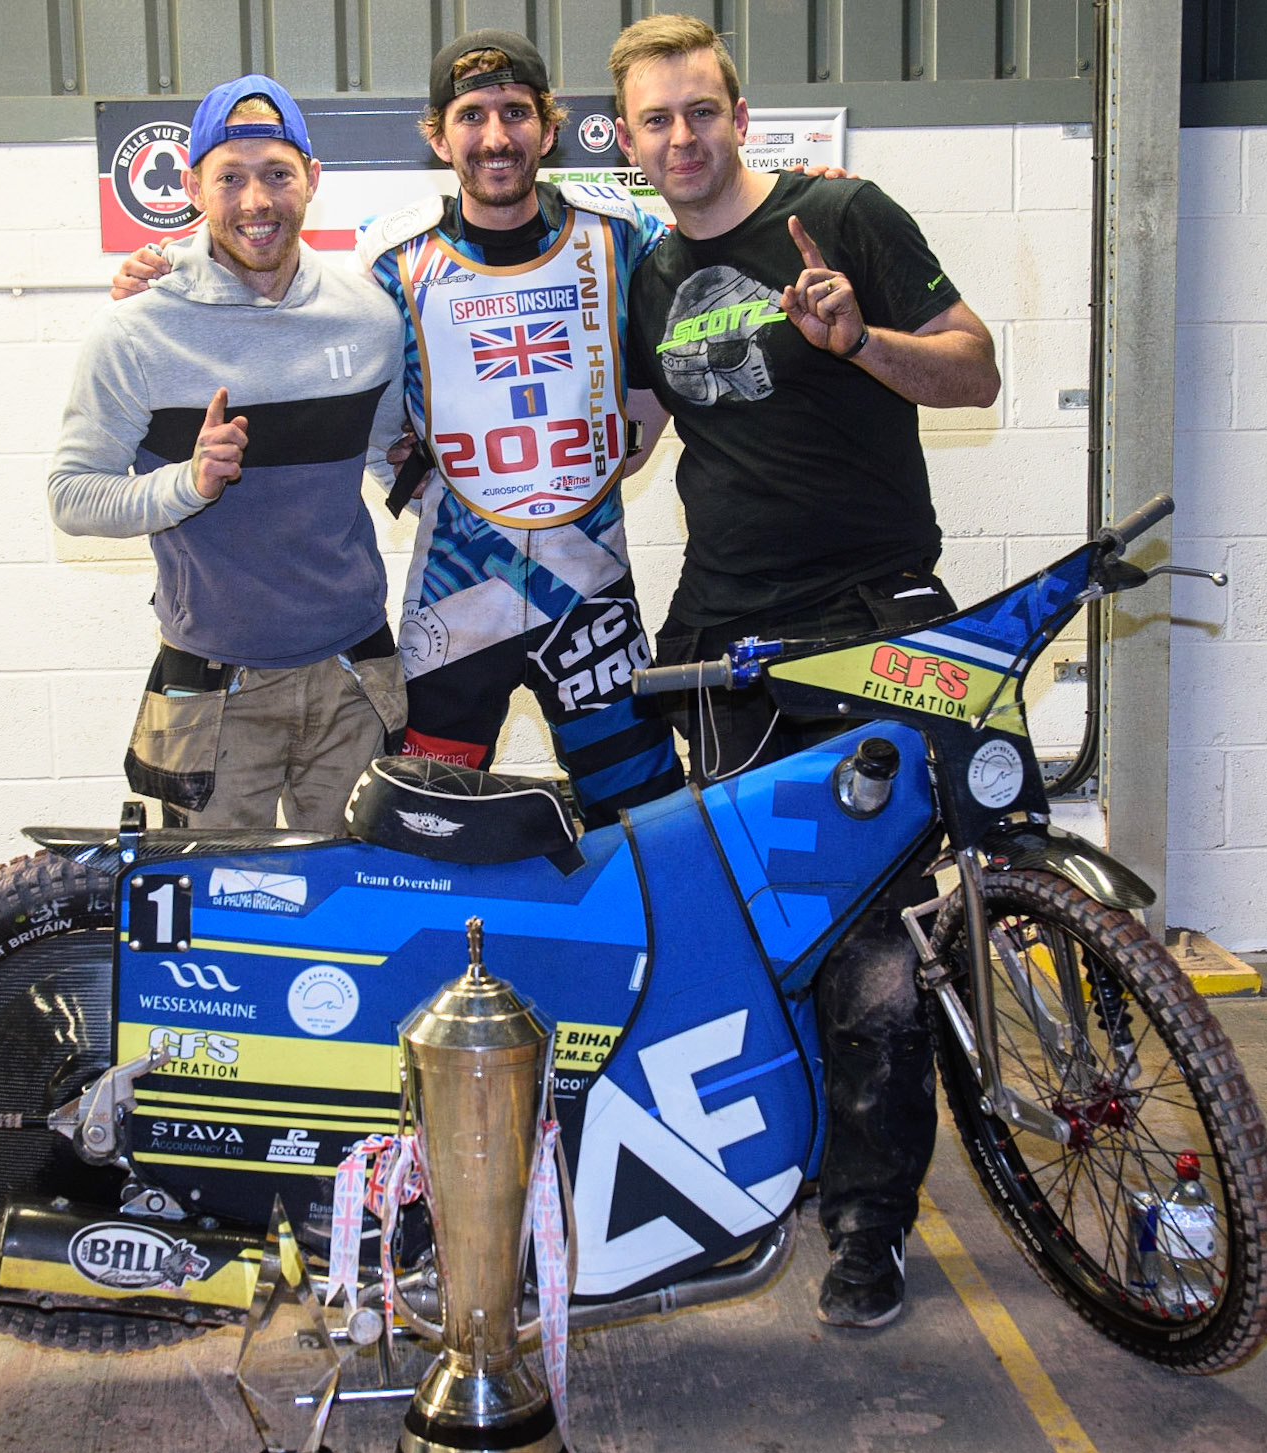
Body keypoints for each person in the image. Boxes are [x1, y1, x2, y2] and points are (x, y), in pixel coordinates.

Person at [609, 15, 1001, 1328]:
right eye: (655, 120)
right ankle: (792, 1171)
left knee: (870, 944)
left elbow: (975, 365)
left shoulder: (842, 216)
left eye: (699, 112)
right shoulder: (652, 273)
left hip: (868, 622)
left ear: (738, 115)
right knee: (760, 937)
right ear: (627, 139)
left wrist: (860, 344)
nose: (680, 137)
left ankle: (869, 1225)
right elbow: (638, 427)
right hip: (724, 646)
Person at [50, 75, 408, 832]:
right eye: (231, 178)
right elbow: (72, 497)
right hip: (213, 691)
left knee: (359, 918)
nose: (256, 202)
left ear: (312, 179)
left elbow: (388, 459)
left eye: (277, 174)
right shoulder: (134, 333)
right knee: (216, 928)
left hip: (355, 674)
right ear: (192, 187)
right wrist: (186, 483)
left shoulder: (369, 318)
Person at [353, 29, 685, 828]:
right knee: (424, 841)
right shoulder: (392, 258)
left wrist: (803, 194)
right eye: (471, 116)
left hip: (591, 596)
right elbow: (322, 361)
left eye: (514, 112)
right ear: (438, 135)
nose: (495, 137)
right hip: (455, 605)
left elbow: (726, 251)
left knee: (648, 832)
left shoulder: (620, 234)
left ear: (548, 124)